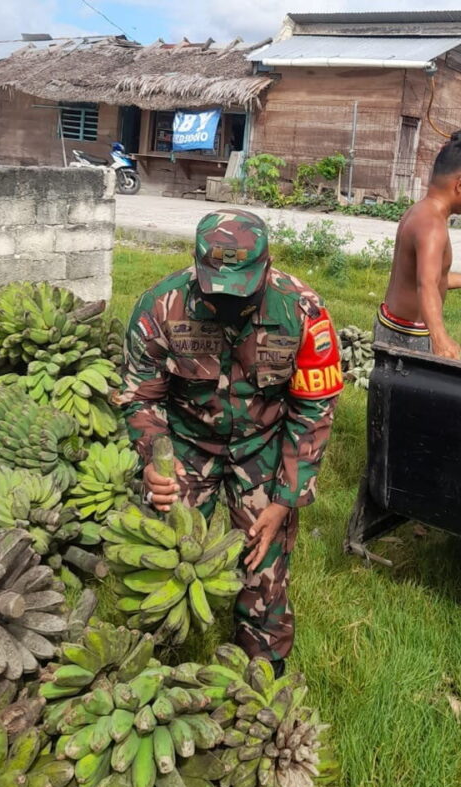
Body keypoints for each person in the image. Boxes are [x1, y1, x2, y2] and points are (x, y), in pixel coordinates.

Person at [117, 209, 343, 674]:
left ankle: (262, 665)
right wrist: (154, 461)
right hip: (186, 442)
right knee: (166, 548)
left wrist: (285, 499)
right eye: (216, 288)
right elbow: (140, 395)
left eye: (240, 289)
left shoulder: (302, 311)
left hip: (262, 442)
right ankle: (151, 659)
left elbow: (314, 410)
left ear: (267, 267)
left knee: (263, 557)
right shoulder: (161, 306)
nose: (226, 304)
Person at [375, 132, 461, 358]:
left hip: (392, 325)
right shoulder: (432, 226)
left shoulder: (420, 210)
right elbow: (426, 285)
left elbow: (426, 277)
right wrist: (441, 339)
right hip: (407, 336)